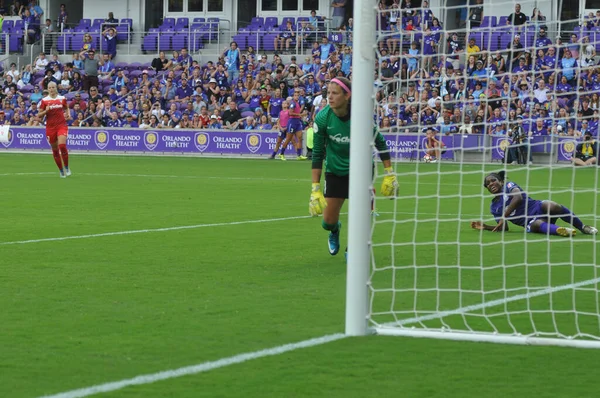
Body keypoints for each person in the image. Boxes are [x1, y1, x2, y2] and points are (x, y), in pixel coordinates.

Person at [309, 76, 398, 257]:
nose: (330, 97)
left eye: (335, 93)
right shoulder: (322, 119)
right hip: (335, 170)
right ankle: (336, 230)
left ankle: (354, 248)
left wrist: (389, 173)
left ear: (347, 95)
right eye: (328, 93)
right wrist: (315, 188)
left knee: (361, 217)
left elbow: (380, 143)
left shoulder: (361, 116)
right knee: (327, 221)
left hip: (362, 171)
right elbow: (317, 153)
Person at [471, 171, 597, 236]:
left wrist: (505, 216)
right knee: (537, 224)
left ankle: (583, 227)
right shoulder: (494, 207)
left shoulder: (509, 186)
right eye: (488, 184)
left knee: (551, 205)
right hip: (529, 221)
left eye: (494, 180)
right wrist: (486, 227)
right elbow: (504, 227)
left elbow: (518, 198)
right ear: (487, 188)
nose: (491, 184)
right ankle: (560, 230)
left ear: (501, 182)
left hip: (537, 207)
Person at [37, 82, 71, 178]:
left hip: (61, 125)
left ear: (56, 88)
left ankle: (67, 167)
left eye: (53, 87)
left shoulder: (62, 98)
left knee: (62, 145)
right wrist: (46, 111)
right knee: (55, 150)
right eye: (49, 88)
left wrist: (68, 114)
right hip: (50, 127)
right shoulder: (44, 101)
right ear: (47, 89)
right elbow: (39, 115)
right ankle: (61, 170)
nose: (51, 89)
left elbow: (66, 107)